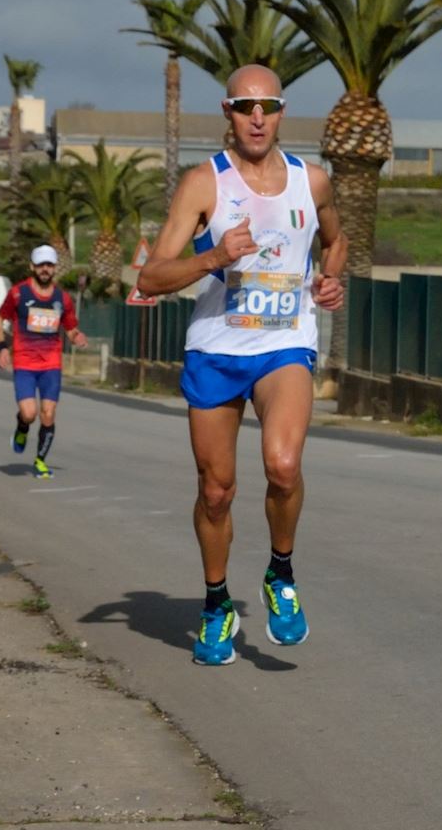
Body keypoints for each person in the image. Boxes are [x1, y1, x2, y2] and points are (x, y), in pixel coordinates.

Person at [136, 64, 347, 667]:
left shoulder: (315, 181)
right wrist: (213, 258)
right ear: (227, 112)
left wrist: (329, 283)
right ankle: (215, 603)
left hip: (284, 345)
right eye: (245, 106)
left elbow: (336, 241)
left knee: (283, 467)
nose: (258, 117)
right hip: (215, 349)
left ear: (282, 112)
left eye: (269, 105)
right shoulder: (204, 184)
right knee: (217, 491)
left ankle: (281, 574)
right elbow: (150, 276)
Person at [0, 244, 89, 480]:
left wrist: (76, 336)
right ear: (32, 267)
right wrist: (2, 347)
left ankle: (40, 462)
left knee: (48, 414)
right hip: (25, 364)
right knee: (29, 413)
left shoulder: (62, 299)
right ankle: (21, 427)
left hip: (51, 365)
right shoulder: (18, 293)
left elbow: (69, 326)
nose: (45, 269)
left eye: (49, 265)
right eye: (41, 265)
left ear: (55, 268)